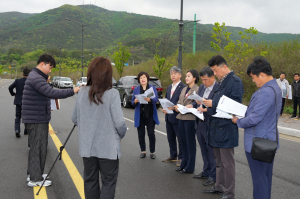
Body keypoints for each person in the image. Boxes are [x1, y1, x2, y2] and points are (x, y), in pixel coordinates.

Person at [72, 57, 127, 199]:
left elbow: (75, 119)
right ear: (108, 75)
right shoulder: (112, 94)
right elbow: (120, 124)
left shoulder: (82, 92)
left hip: (87, 147)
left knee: (90, 181)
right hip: (108, 148)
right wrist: (120, 135)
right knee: (108, 182)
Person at [22, 54, 80, 187]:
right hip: (36, 120)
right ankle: (35, 179)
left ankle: (34, 174)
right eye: (50, 67)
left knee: (38, 148)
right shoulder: (36, 78)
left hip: (37, 118)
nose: (50, 70)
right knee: (38, 148)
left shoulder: (35, 76)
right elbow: (52, 93)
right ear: (42, 64)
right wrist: (74, 90)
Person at [232, 56, 281, 199]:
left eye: (253, 77)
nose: (253, 81)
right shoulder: (275, 87)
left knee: (260, 181)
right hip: (267, 141)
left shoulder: (266, 92)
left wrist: (238, 121)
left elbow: (254, 118)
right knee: (264, 179)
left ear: (262, 75)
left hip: (258, 143)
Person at [202, 55, 244, 199]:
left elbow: (235, 107)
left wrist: (212, 104)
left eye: (215, 70)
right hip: (216, 127)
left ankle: (229, 192)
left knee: (227, 163)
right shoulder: (221, 82)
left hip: (226, 128)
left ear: (224, 67)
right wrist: (210, 105)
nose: (214, 73)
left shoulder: (235, 82)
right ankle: (219, 186)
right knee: (218, 161)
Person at [192, 66, 219, 186]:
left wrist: (206, 109)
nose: (203, 82)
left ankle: (213, 175)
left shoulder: (219, 88)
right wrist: (195, 103)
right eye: (202, 80)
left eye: (205, 80)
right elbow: (198, 101)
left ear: (213, 77)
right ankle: (206, 171)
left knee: (211, 151)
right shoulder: (202, 87)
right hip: (200, 122)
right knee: (203, 148)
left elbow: (219, 107)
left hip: (211, 123)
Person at [174, 69, 199, 174]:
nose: (186, 78)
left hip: (190, 118)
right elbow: (180, 101)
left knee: (190, 143)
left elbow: (196, 103)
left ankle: (190, 166)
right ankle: (183, 164)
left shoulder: (197, 89)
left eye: (189, 76)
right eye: (186, 76)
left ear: (194, 78)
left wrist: (189, 106)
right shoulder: (184, 89)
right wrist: (177, 106)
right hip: (181, 117)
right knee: (183, 143)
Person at [131, 71, 160, 159]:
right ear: (139, 80)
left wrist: (150, 100)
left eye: (144, 77)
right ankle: (143, 151)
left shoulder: (152, 88)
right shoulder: (136, 89)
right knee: (141, 134)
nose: (142, 79)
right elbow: (132, 102)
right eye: (141, 78)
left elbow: (156, 99)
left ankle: (152, 152)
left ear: (147, 79)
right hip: (140, 115)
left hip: (150, 114)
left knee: (151, 133)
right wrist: (135, 101)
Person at [162, 66, 186, 167]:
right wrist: (164, 108)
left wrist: (175, 107)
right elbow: (167, 100)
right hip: (168, 116)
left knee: (180, 138)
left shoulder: (183, 87)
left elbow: (183, 102)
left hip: (178, 116)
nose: (173, 75)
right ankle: (173, 155)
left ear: (180, 75)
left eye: (175, 73)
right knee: (170, 137)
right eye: (171, 73)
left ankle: (181, 158)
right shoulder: (168, 87)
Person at [8, 67, 31, 138]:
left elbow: (10, 87)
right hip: (27, 102)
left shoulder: (17, 81)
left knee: (18, 116)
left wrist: (13, 94)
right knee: (27, 116)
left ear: (22, 73)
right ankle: (26, 130)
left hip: (18, 101)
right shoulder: (30, 82)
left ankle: (17, 130)